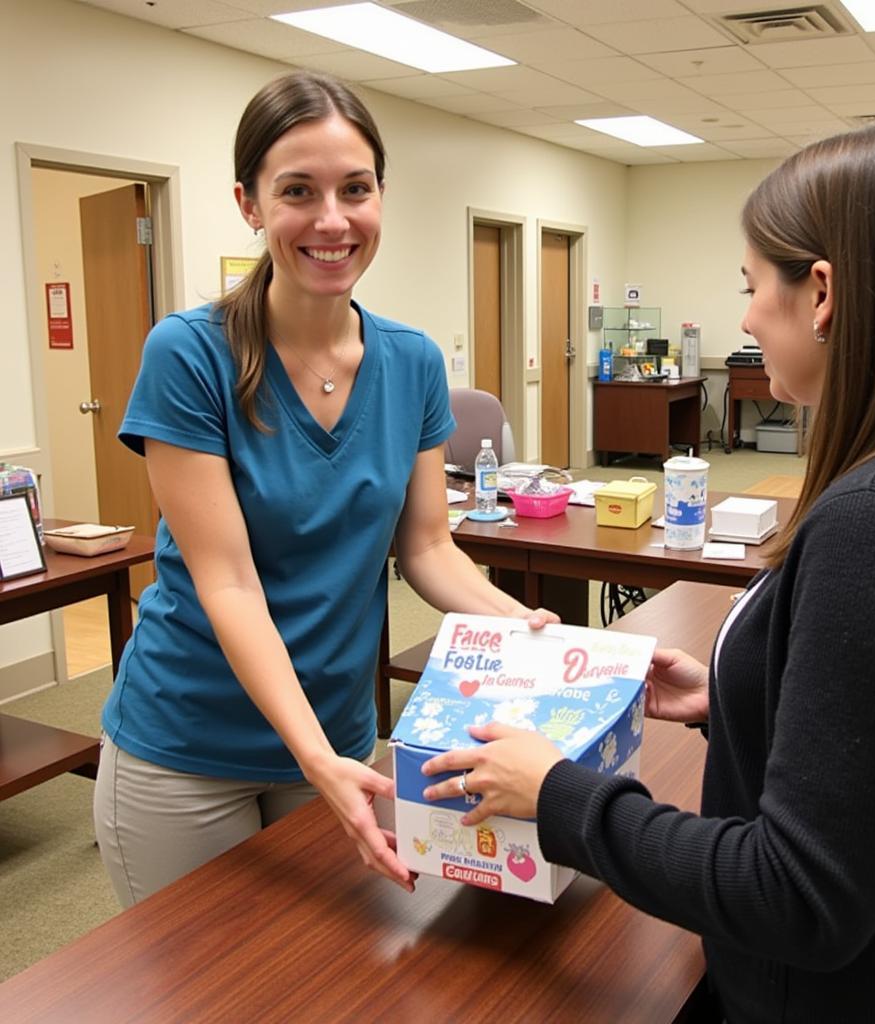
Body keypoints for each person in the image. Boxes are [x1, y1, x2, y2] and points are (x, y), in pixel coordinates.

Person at [422, 123, 875, 1022]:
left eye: (752, 286)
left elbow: (800, 896)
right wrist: (740, 697)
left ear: (821, 291)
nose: (743, 318)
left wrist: (561, 796)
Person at [93, 71, 555, 907]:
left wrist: (521, 627)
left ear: (382, 194)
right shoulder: (190, 356)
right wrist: (315, 758)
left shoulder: (412, 361)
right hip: (187, 745)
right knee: (200, 992)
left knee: (327, 983)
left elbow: (425, 546)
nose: (332, 220)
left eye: (356, 188)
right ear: (250, 203)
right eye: (297, 191)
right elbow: (226, 582)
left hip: (338, 743)